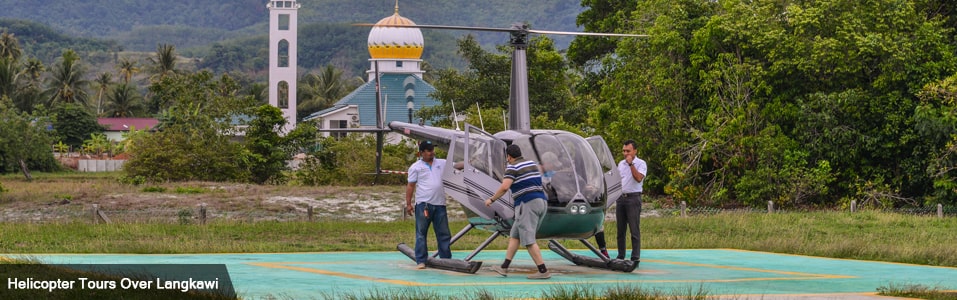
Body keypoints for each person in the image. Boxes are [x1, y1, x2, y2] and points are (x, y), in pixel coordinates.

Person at [484, 144, 550, 279]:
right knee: (515, 235)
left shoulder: (512, 167)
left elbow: (505, 187)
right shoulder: (531, 163)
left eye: (507, 157)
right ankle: (504, 267)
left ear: (509, 156)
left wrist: (491, 199)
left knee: (528, 239)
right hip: (541, 202)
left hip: (527, 204)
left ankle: (543, 271)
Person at [405, 140, 452, 269]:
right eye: (429, 150)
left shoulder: (441, 163)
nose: (432, 152)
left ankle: (446, 259)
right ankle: (421, 260)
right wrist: (408, 204)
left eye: (432, 150)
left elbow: (456, 165)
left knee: (444, 233)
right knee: (421, 232)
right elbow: (410, 186)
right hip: (423, 204)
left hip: (440, 204)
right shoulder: (415, 167)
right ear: (422, 153)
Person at [616, 139, 646, 262]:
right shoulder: (620, 164)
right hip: (621, 198)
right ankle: (620, 255)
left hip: (633, 198)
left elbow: (638, 178)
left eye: (628, 151)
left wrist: (631, 164)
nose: (625, 153)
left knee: (634, 229)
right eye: (624, 151)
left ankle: (635, 256)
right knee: (620, 230)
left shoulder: (641, 163)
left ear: (635, 151)